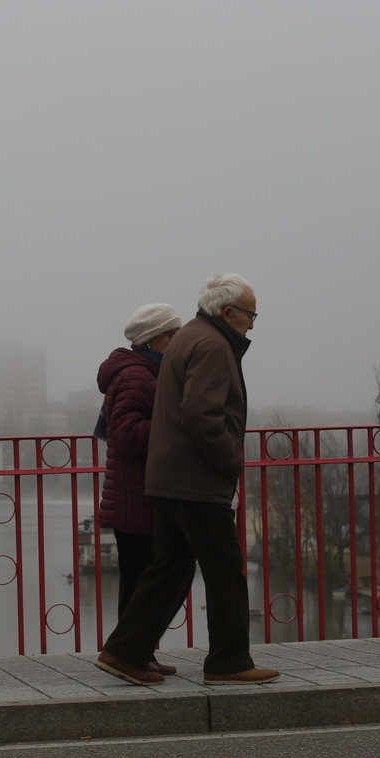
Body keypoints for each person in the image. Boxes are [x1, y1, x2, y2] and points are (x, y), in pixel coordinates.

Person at [95, 273, 280, 686]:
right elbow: (201, 414)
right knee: (226, 568)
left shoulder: (189, 337)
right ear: (228, 312)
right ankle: (229, 662)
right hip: (195, 479)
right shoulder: (213, 345)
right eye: (251, 315)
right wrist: (230, 459)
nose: (252, 324)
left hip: (169, 477)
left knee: (170, 567)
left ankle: (124, 650)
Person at [94, 303, 183, 676]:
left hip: (136, 495)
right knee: (143, 581)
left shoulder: (146, 372)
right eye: (175, 336)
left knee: (141, 580)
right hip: (137, 498)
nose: (179, 343)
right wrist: (176, 422)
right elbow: (128, 434)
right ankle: (129, 655)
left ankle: (138, 651)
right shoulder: (137, 376)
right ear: (158, 338)